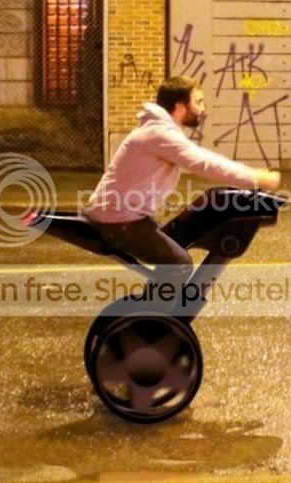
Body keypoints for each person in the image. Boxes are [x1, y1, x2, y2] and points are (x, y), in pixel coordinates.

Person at [82, 76, 280, 311]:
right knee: (179, 264)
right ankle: (152, 321)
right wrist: (256, 178)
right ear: (179, 106)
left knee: (176, 244)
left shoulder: (157, 130)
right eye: (198, 102)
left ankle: (148, 314)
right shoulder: (159, 133)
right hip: (120, 221)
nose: (203, 109)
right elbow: (204, 163)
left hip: (123, 216)